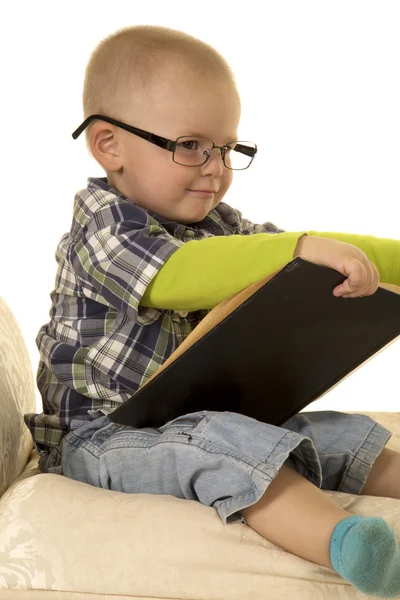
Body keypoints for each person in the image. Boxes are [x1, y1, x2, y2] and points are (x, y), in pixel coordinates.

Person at [24, 24, 400, 597]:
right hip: (100, 437)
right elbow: (176, 276)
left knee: (331, 435)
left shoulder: (217, 227)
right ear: (109, 144)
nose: (215, 166)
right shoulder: (100, 225)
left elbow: (305, 252)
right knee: (230, 448)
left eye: (227, 148)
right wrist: (296, 251)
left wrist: (367, 260)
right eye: (191, 144)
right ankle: (352, 545)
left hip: (194, 414)